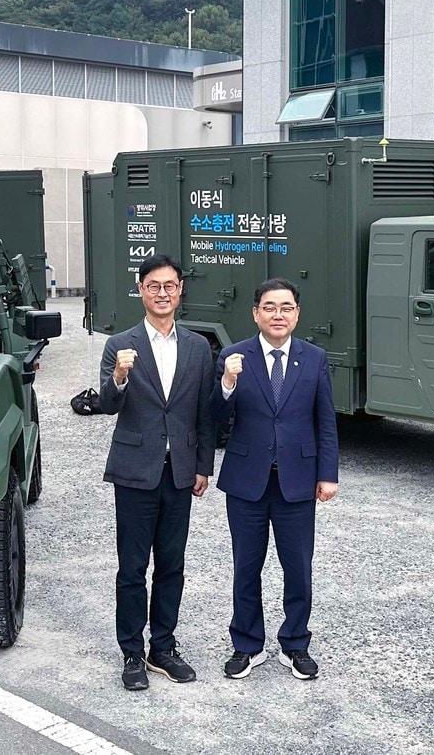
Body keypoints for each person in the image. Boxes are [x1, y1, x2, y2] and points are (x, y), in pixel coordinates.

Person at [211, 277, 338, 681]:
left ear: (297, 314)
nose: (277, 314)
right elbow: (214, 419)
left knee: (298, 567)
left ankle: (295, 643)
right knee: (246, 567)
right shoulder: (234, 356)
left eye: (286, 307)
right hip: (247, 481)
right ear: (255, 313)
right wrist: (227, 384)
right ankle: (247, 646)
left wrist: (328, 473)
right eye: (269, 307)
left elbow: (326, 421)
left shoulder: (314, 358)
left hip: (298, 481)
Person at [99, 254, 216, 691]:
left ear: (180, 289)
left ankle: (162, 647)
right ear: (141, 290)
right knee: (132, 566)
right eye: (153, 285)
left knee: (172, 564)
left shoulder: (198, 346)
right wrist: (120, 375)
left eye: (169, 285)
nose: (162, 292)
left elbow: (205, 411)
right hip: (134, 470)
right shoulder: (120, 344)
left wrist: (203, 465)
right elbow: (108, 405)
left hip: (180, 471)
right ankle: (131, 652)